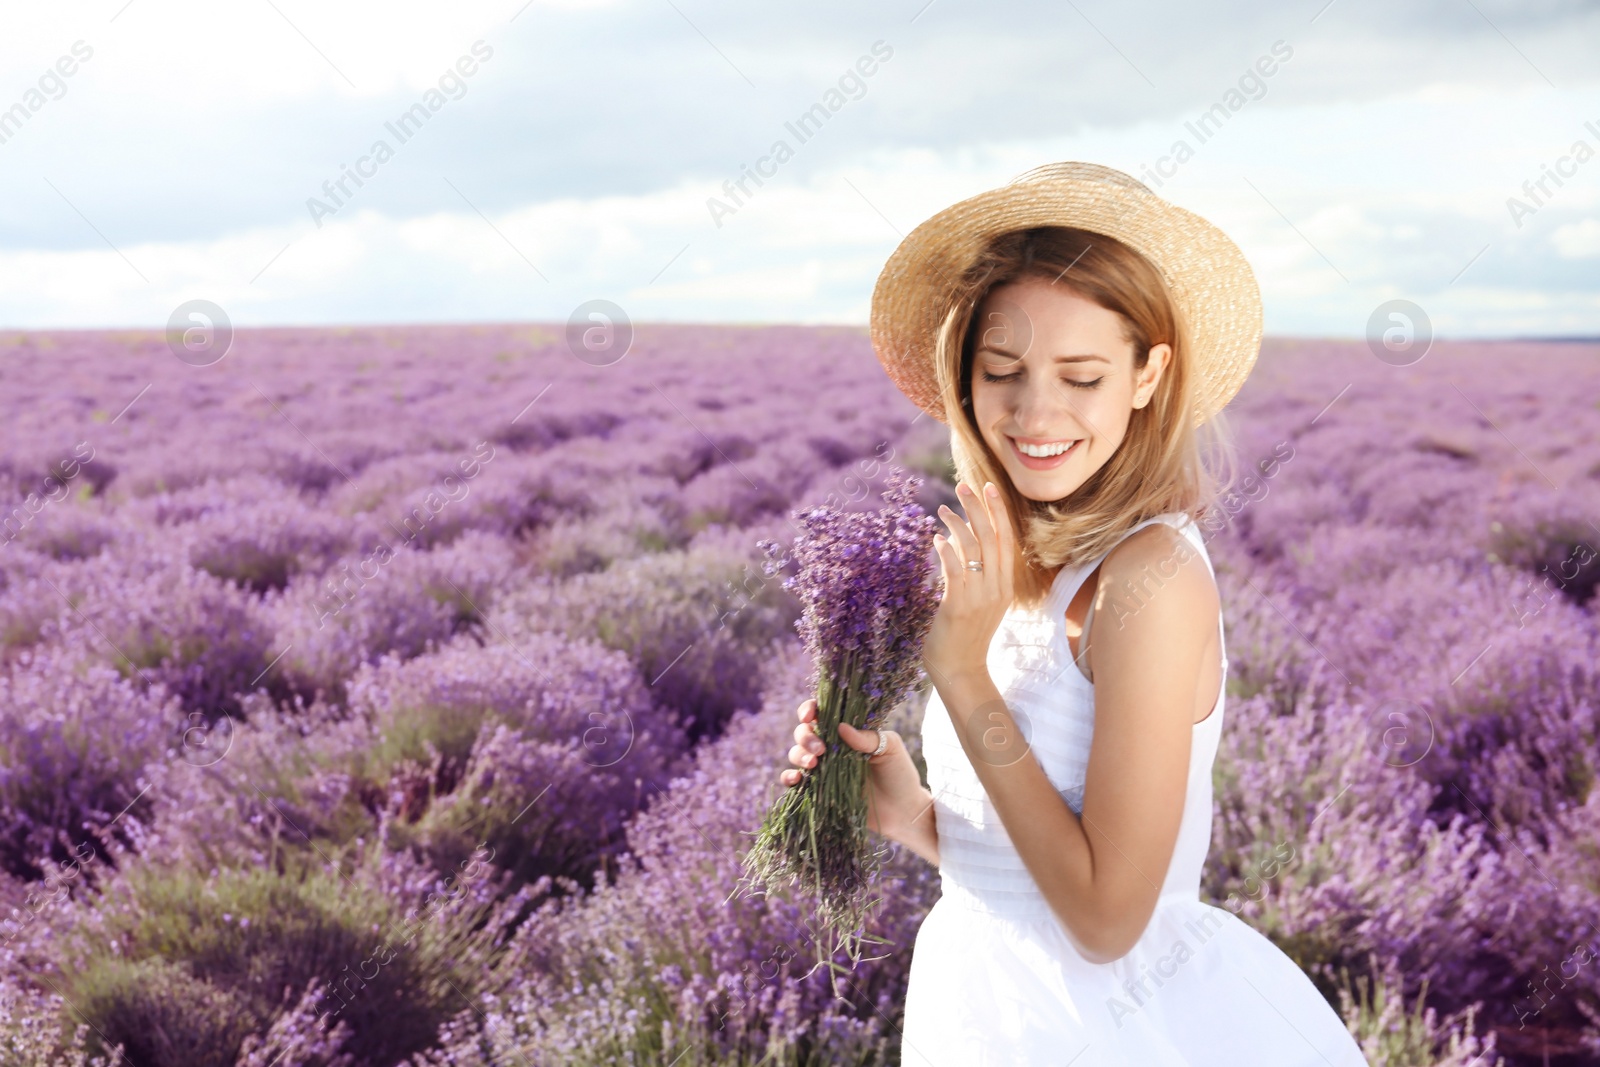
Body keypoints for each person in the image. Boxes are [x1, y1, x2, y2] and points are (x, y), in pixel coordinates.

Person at [778, 163, 1368, 1065]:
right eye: (1002, 371)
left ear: (1147, 374)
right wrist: (913, 815)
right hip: (991, 1006)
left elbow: (1106, 921)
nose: (1036, 412)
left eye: (1082, 376)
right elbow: (1028, 879)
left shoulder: (1151, 576)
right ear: (964, 380)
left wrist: (966, 680)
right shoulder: (1027, 560)